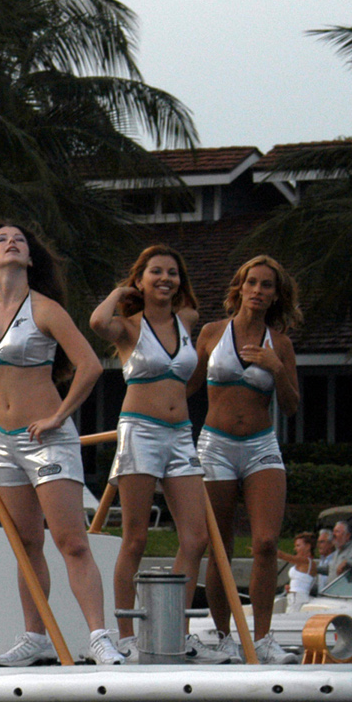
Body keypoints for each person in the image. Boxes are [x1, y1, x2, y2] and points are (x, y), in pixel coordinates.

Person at [0, 219, 119, 666]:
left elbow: (90, 365)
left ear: (29, 257)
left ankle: (100, 637)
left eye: (19, 240)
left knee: (71, 540)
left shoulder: (45, 308)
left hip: (47, 438)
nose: (11, 242)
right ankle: (35, 635)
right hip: (2, 441)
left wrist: (60, 415)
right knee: (25, 543)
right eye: (1, 239)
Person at [90, 245, 217, 661]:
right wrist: (122, 289)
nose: (166, 279)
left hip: (180, 433)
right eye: (156, 272)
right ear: (140, 279)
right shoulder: (127, 326)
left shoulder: (187, 320)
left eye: (173, 273)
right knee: (136, 537)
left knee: (195, 538)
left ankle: (174, 629)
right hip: (140, 432)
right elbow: (96, 321)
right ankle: (125, 633)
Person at [193, 255, 303, 664]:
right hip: (215, 445)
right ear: (239, 287)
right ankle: (223, 637)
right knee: (219, 546)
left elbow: (291, 406)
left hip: (261, 446)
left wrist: (276, 369)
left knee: (266, 543)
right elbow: (183, 385)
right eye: (252, 283)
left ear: (276, 296)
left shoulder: (282, 344)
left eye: (267, 286)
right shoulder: (211, 333)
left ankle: (264, 637)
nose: (258, 291)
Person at [277, 531, 317, 610]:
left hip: (299, 598)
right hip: (293, 597)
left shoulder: (307, 561)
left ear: (308, 546)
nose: (295, 549)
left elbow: (283, 555)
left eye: (298, 546)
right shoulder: (302, 562)